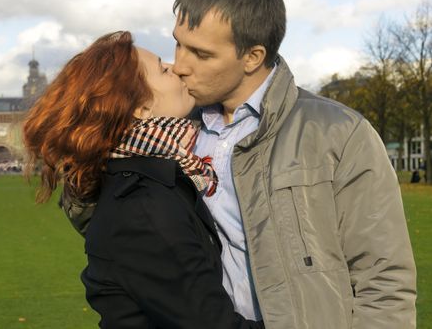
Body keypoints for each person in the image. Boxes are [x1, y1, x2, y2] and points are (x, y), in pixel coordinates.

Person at [169, 0, 416, 328]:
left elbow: (384, 279)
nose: (180, 64)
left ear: (253, 57)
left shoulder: (340, 134)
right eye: (178, 44)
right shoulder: (171, 130)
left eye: (201, 53)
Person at [23, 31, 263, 328]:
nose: (177, 70)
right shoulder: (145, 208)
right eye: (163, 69)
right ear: (141, 107)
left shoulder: (148, 175)